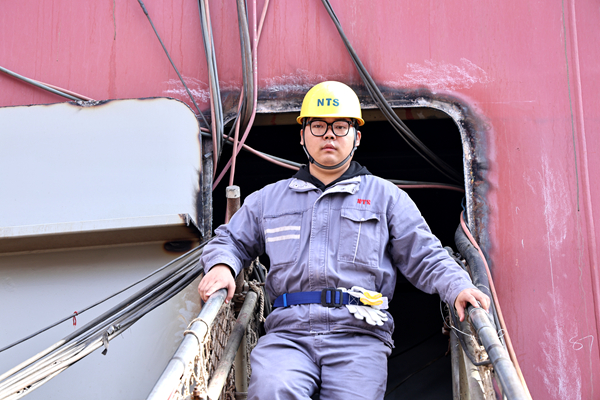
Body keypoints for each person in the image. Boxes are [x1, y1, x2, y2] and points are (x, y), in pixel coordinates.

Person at [198, 81, 490, 399]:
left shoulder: (386, 197)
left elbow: (425, 254)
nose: (329, 135)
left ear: (356, 137)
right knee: (273, 389)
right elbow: (230, 240)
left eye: (340, 126)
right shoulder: (269, 200)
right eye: (318, 126)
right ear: (302, 135)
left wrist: (457, 286)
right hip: (288, 335)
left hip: (359, 335)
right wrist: (223, 266)